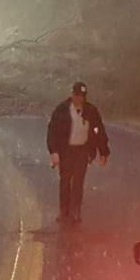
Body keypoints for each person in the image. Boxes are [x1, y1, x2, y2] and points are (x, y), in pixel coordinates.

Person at [47, 81, 110, 225]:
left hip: (82, 150)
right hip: (66, 150)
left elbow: (98, 131)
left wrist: (103, 151)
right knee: (65, 181)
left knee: (78, 182)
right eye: (77, 95)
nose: (79, 99)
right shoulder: (62, 110)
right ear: (72, 95)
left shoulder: (91, 111)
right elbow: (52, 132)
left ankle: (76, 211)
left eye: (82, 96)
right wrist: (54, 152)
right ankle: (64, 211)